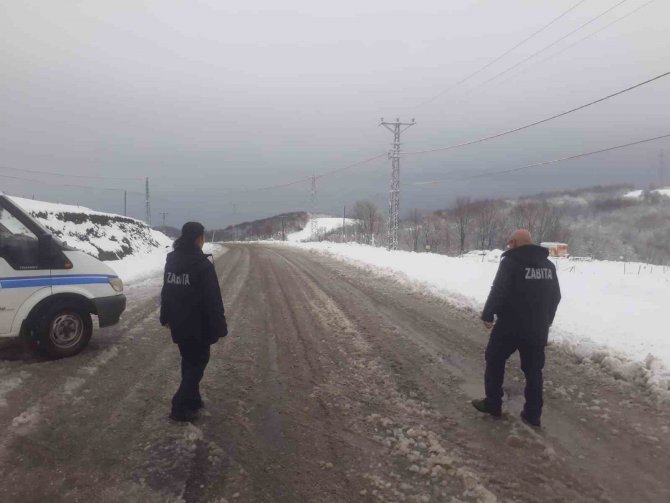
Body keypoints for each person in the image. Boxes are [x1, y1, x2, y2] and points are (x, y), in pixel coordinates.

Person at [472, 229, 561, 427]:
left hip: (510, 326)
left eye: (509, 243)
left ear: (513, 242)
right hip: (537, 328)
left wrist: (488, 314)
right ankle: (533, 414)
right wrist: (547, 320)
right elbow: (556, 297)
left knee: (494, 358)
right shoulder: (548, 266)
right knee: (533, 371)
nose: (508, 246)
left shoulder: (511, 262)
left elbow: (499, 290)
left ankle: (493, 403)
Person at [160, 222, 228, 422]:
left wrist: (165, 316)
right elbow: (212, 298)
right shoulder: (202, 265)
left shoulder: (172, 260)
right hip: (198, 324)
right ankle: (179, 405)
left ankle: (192, 398)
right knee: (198, 362)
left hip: (179, 322)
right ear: (199, 238)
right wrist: (220, 325)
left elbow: (167, 291)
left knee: (188, 360)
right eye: (203, 236)